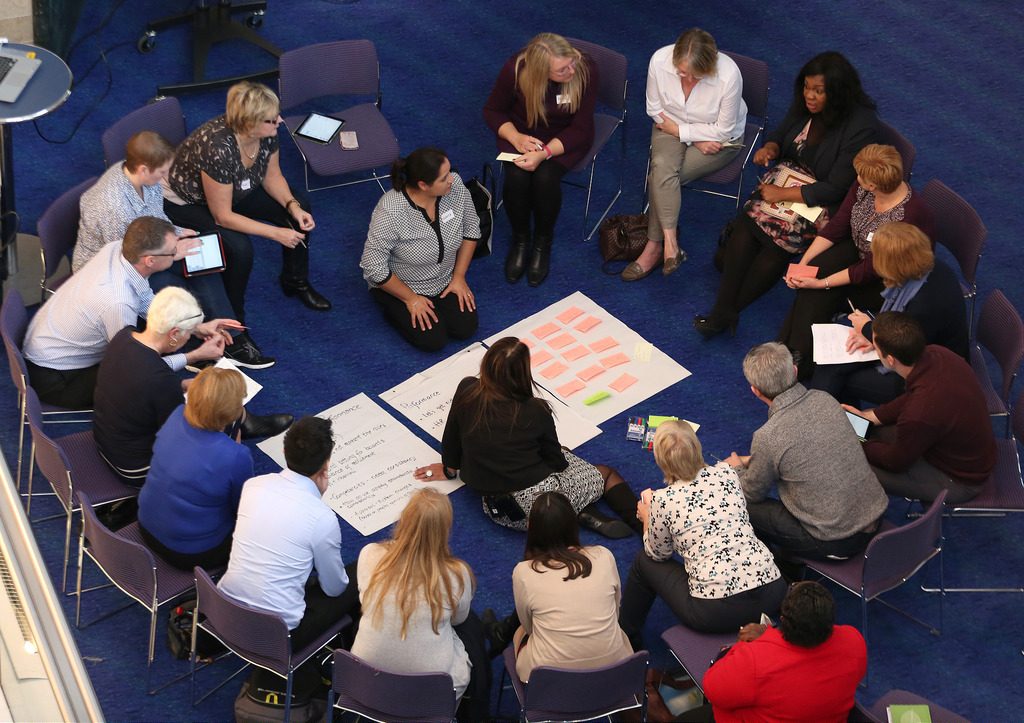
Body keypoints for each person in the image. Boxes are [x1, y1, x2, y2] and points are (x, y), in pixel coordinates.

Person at [695, 51, 878, 338]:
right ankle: (725, 310)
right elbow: (781, 134)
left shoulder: (860, 125)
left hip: (819, 196)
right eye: (806, 87)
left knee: (778, 240)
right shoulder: (805, 106)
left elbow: (837, 186)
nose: (810, 96)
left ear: (838, 93)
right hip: (785, 179)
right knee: (747, 224)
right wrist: (771, 148)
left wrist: (783, 193)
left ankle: (725, 312)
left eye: (819, 91)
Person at [75, 131, 272, 369]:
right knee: (170, 281)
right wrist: (172, 252)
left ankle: (231, 338)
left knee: (200, 260)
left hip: (150, 248)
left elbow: (157, 218)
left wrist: (177, 234)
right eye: (162, 172)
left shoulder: (146, 179)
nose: (166, 177)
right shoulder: (113, 207)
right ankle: (193, 347)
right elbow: (130, 262)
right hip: (115, 269)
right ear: (144, 169)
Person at [414, 337, 641, 538]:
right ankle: (644, 524)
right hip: (540, 509)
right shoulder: (535, 409)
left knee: (561, 472)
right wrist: (563, 455)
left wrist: (449, 469)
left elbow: (452, 436)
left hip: (497, 510)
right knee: (606, 473)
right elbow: (556, 462)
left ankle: (580, 513)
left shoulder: (467, 389)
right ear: (523, 373)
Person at [164, 81, 332, 329]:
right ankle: (234, 320)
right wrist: (276, 233)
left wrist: (293, 205)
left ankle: (295, 281)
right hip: (191, 202)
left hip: (236, 187)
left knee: (298, 209)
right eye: (271, 120)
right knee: (240, 248)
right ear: (249, 123)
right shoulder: (218, 148)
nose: (280, 122)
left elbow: (272, 176)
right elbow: (222, 216)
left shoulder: (266, 134)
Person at [23, 216, 236, 409]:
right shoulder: (118, 303)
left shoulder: (116, 249)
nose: (177, 253)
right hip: (60, 380)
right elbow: (134, 365)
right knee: (150, 383)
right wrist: (194, 356)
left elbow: (146, 300)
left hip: (48, 347)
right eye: (173, 252)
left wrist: (194, 327)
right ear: (150, 261)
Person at [92, 287, 290, 484]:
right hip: (135, 467)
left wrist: (185, 384)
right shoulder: (160, 381)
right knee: (223, 410)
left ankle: (244, 423)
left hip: (106, 439)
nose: (189, 339)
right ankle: (233, 460)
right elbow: (181, 439)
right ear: (174, 333)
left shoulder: (124, 336)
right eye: (189, 335)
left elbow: (141, 383)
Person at [618, 420, 786, 646]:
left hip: (715, 611)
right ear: (697, 448)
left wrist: (647, 518)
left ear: (660, 460)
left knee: (643, 563)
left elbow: (658, 554)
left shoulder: (662, 500)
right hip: (773, 593)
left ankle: (626, 634)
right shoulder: (727, 474)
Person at [778, 144, 934, 377]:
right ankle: (788, 350)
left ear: (874, 185)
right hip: (857, 248)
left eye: (861, 176)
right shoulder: (864, 186)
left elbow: (871, 269)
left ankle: (797, 360)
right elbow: (839, 224)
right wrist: (805, 263)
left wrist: (823, 283)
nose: (856, 178)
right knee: (811, 278)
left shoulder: (907, 216)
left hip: (887, 277)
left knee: (822, 292)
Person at [727, 343, 888, 564]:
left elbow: (751, 493)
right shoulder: (825, 398)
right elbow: (848, 436)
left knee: (736, 500)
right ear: (794, 371)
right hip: (876, 514)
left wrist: (735, 469)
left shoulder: (767, 437)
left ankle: (780, 572)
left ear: (755, 390)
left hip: (836, 540)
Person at [218, 416, 360, 650]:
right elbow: (334, 588)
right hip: (278, 635)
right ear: (326, 464)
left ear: (284, 451)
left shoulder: (253, 486)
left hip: (226, 611)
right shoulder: (322, 517)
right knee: (360, 573)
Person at [351, 488, 489, 719]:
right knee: (470, 631)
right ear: (444, 530)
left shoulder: (370, 554)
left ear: (404, 519)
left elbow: (365, 601)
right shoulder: (456, 575)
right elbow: (459, 619)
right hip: (431, 690)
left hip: (364, 680)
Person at [623, 28, 746, 281]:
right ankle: (670, 243)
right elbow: (654, 109)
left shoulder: (729, 75)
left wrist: (686, 133)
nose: (687, 79)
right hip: (669, 126)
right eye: (682, 72)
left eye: (696, 76)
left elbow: (723, 130)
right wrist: (690, 135)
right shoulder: (659, 60)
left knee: (662, 177)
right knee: (662, 168)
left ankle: (653, 247)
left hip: (718, 141)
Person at [809, 221, 968, 404]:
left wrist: (869, 330)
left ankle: (834, 423)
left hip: (925, 375)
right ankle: (832, 421)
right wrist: (871, 333)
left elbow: (900, 346)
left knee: (838, 375)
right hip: (916, 348)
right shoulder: (929, 267)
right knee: (831, 365)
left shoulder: (924, 305)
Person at [845, 312, 996, 503]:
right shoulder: (937, 354)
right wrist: (871, 417)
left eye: (875, 346)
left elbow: (895, 461)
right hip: (956, 449)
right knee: (867, 431)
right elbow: (911, 397)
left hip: (960, 480)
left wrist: (858, 442)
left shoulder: (919, 414)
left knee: (851, 463)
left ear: (890, 360)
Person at [484, 33, 597, 286]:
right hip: (521, 135)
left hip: (564, 139)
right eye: (561, 70)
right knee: (516, 178)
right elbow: (493, 111)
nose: (571, 70)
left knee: (545, 178)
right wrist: (516, 138)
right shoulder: (515, 70)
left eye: (571, 63)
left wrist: (544, 153)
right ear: (539, 72)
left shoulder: (585, 68)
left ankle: (542, 242)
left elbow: (581, 128)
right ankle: (521, 240)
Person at [359, 147, 481, 352]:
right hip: (403, 284)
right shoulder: (391, 210)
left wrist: (459, 277)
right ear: (423, 185)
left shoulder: (456, 186)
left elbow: (471, 229)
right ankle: (391, 304)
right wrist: (411, 298)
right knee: (433, 341)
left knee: (465, 328)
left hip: (443, 279)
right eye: (444, 178)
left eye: (450, 172)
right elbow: (373, 266)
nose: (451, 179)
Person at [505, 492, 632, 682]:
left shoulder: (524, 572)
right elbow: (615, 610)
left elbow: (529, 626)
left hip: (550, 682)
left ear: (531, 528)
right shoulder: (603, 556)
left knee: (519, 634)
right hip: (615, 670)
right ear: (573, 525)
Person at [137, 366, 254, 570]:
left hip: (146, 526)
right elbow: (242, 508)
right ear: (232, 411)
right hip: (191, 552)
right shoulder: (236, 455)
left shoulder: (176, 414)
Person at [699, 582, 866, 722]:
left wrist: (745, 645)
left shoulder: (755, 660)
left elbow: (712, 689)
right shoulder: (854, 641)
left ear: (784, 621)